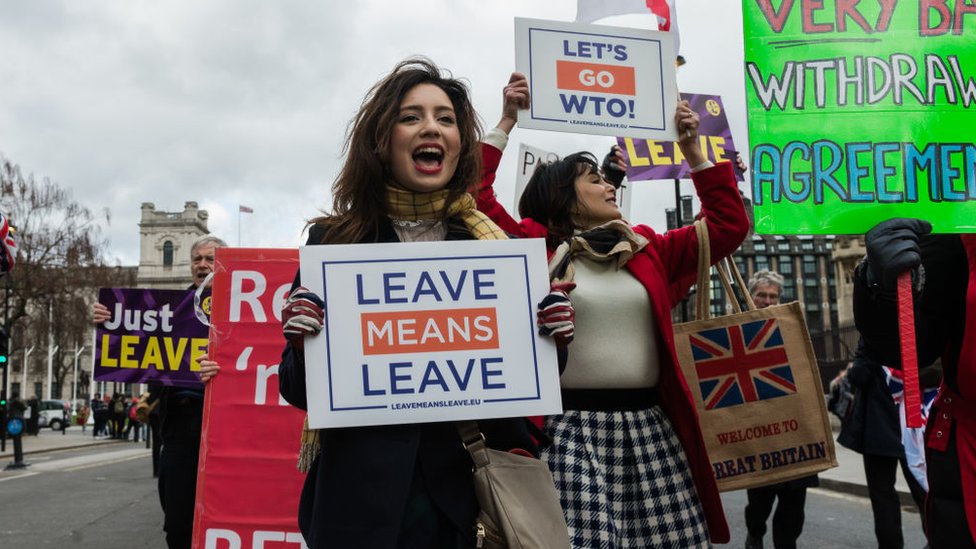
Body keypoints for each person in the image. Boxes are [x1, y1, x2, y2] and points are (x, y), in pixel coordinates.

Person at [475, 72, 748, 547]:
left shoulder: (648, 248)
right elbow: (472, 199)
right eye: (595, 179)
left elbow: (727, 225)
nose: (609, 186)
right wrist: (506, 121)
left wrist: (694, 153)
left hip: (649, 429)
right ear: (564, 196)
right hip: (569, 435)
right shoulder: (532, 248)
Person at [276, 58, 539, 549]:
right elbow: (298, 390)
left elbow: (526, 382)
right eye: (411, 116)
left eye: (445, 118)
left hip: (467, 506)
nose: (431, 128)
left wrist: (550, 334)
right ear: (382, 139)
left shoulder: (492, 246)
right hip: (360, 506)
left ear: (460, 143)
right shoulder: (334, 243)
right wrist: (301, 342)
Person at [92, 233, 224, 549]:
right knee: (178, 523)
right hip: (179, 428)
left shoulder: (243, 310)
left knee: (223, 521)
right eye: (197, 259)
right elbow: (135, 339)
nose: (203, 265)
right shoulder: (173, 310)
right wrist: (109, 321)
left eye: (211, 259)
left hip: (224, 429)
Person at [853, 218, 976, 548]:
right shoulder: (958, 219)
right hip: (962, 458)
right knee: (884, 497)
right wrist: (885, 286)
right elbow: (910, 345)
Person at [740, 270, 818, 549]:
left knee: (793, 508)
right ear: (751, 296)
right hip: (761, 432)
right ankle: (755, 534)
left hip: (796, 431)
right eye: (762, 295)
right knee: (760, 501)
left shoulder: (792, 327)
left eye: (774, 296)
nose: (768, 301)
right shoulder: (737, 329)